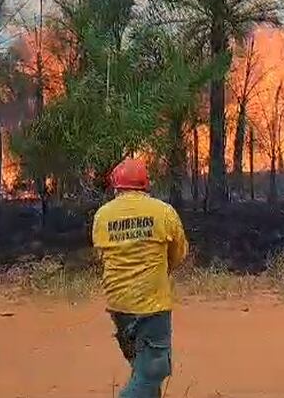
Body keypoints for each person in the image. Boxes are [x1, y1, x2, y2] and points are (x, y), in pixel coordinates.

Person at [92, 158, 188, 398]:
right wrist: (162, 268)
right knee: (154, 369)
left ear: (117, 187)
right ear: (146, 185)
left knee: (141, 368)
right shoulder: (163, 212)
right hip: (152, 306)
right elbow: (179, 252)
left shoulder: (102, 216)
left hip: (118, 306)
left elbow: (101, 254)